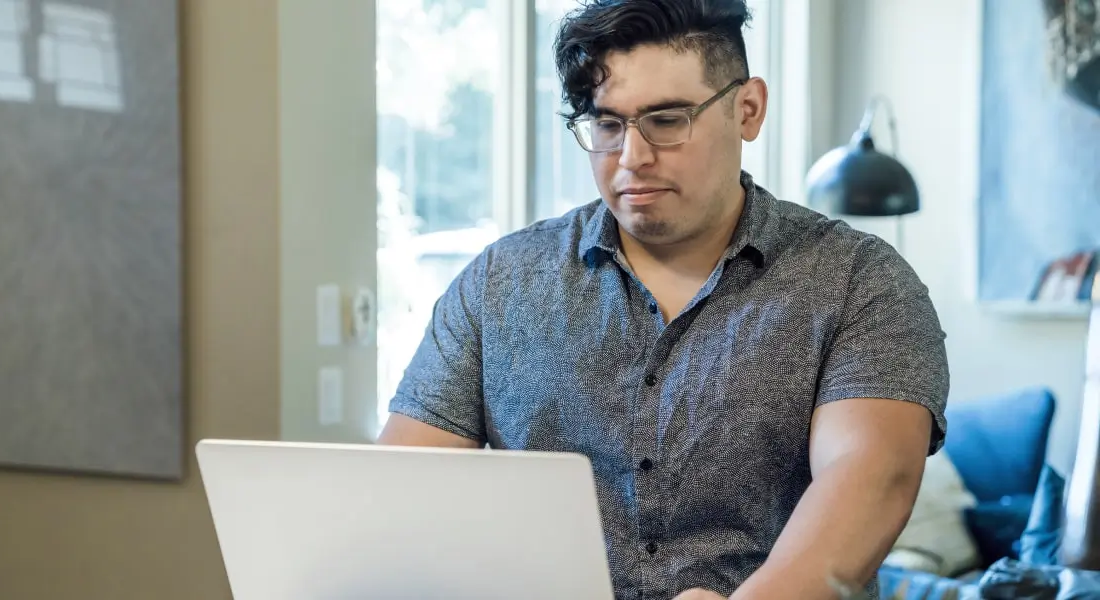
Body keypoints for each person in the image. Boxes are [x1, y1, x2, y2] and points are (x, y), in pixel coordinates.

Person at [378, 1, 950, 599]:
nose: (632, 158)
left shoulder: (860, 280)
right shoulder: (500, 282)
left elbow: (870, 478)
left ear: (748, 109)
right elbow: (402, 494)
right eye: (607, 125)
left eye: (667, 120)